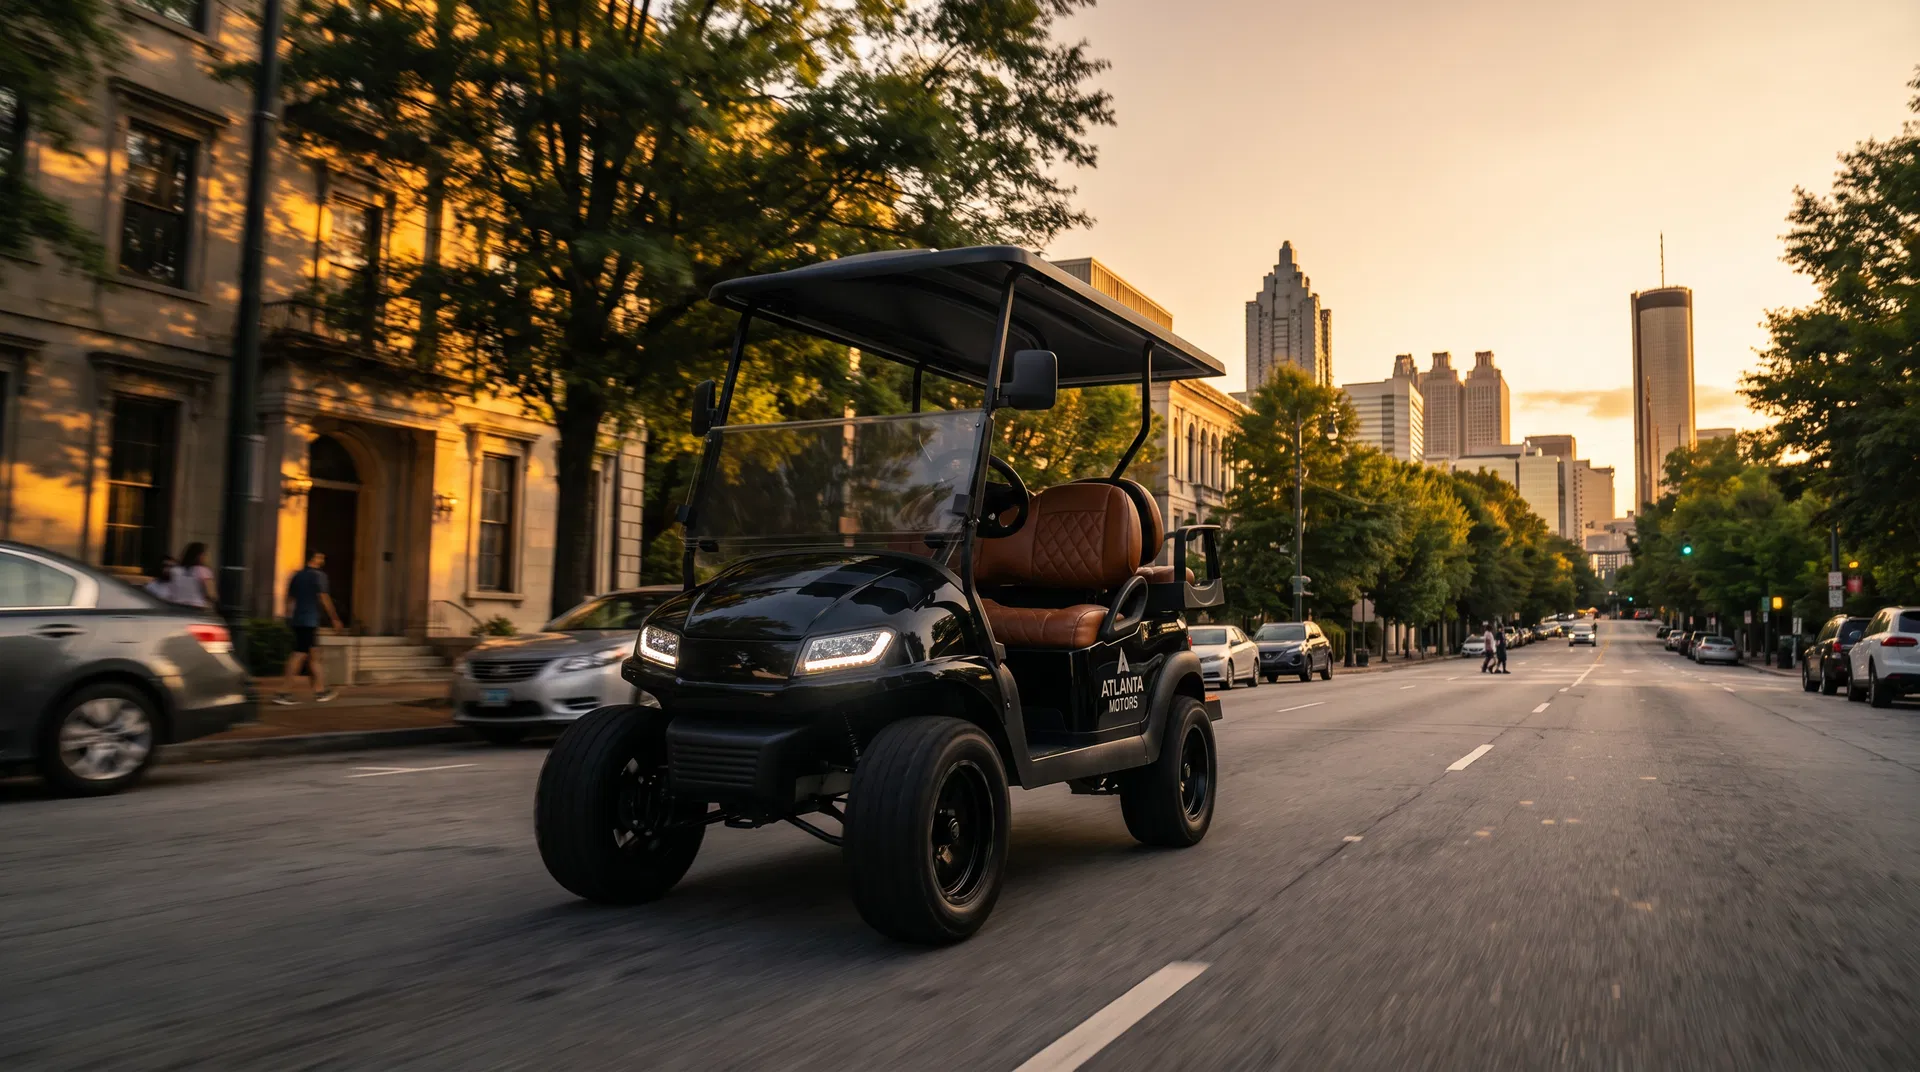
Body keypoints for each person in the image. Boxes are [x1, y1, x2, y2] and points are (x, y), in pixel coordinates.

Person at [277, 551, 344, 705]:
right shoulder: (318, 576)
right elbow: (324, 598)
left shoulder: (296, 575)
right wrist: (334, 618)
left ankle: (320, 691)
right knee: (299, 655)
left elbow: (289, 599)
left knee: (314, 656)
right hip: (309, 620)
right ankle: (283, 691)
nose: (323, 559)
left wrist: (288, 617)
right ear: (314, 558)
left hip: (299, 620)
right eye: (320, 557)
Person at [173, 542, 216, 609]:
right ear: (200, 556)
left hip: (177, 608)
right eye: (206, 555)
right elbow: (211, 594)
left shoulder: (176, 570)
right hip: (197, 609)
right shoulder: (204, 571)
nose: (208, 558)